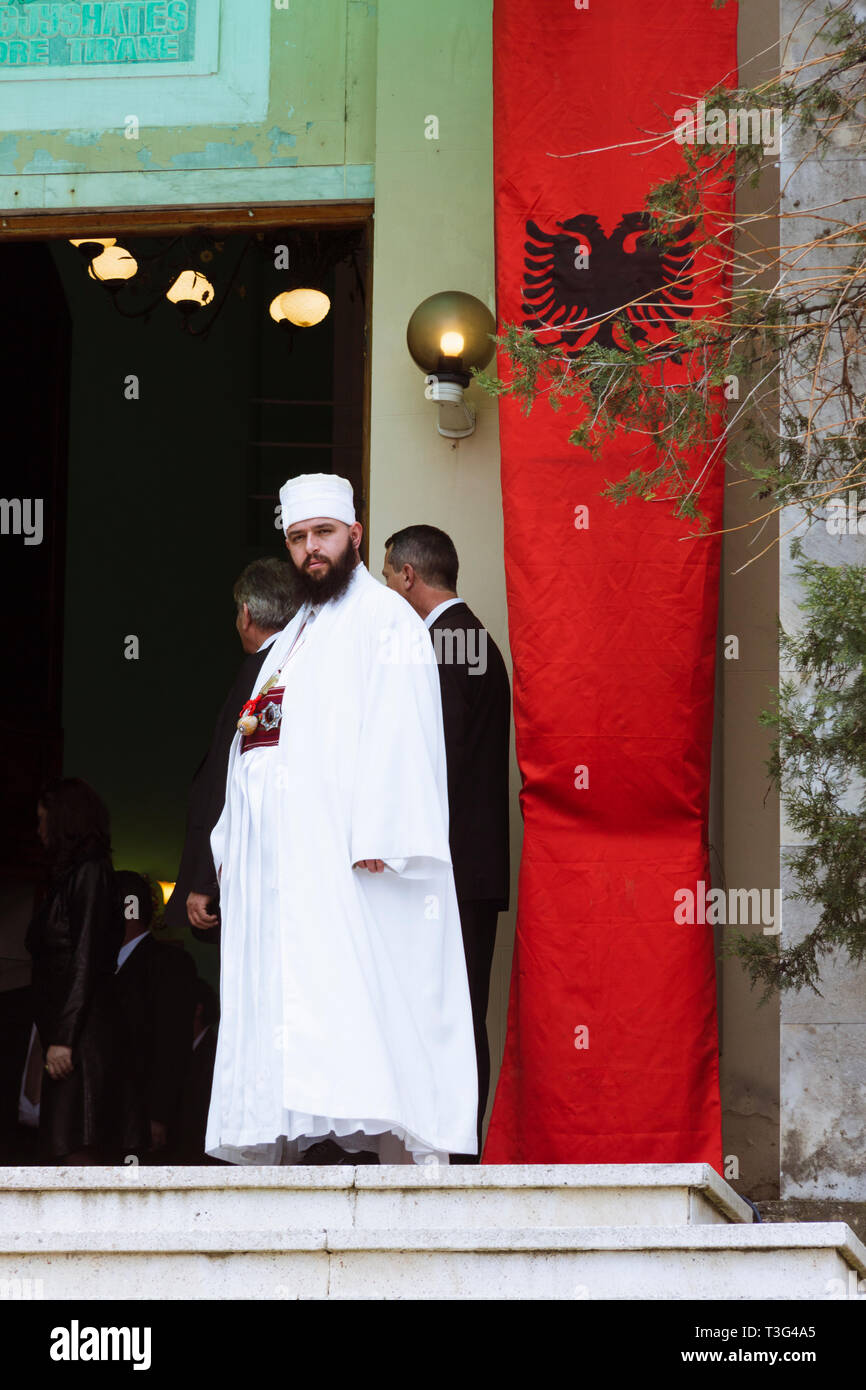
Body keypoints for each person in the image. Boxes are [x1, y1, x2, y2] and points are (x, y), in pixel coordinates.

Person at [206, 472, 478, 1165]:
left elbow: (406, 729)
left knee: (365, 1001)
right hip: (285, 864)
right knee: (298, 1007)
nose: (311, 550)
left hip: (353, 855)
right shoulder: (296, 632)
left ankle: (386, 1158)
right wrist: (234, 843)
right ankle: (294, 1147)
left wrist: (383, 830)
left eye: (323, 533)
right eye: (298, 538)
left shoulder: (386, 619)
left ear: (355, 534)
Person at [383, 525, 511, 1162]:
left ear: (408, 575)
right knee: (458, 1010)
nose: (387, 590)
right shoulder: (472, 638)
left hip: (448, 870)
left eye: (388, 577)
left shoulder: (445, 644)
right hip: (469, 868)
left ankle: (454, 1155)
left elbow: (438, 762)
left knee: (451, 1013)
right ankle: (454, 1150)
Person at [164, 558, 296, 942]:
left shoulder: (259, 673)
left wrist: (206, 878)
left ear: (246, 614)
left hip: (245, 869)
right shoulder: (297, 665)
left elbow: (230, 777)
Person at [25, 779, 123, 1164]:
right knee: (66, 1147)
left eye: (42, 820)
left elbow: (86, 957)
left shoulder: (90, 872)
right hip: (72, 1034)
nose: (39, 830)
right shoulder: (72, 876)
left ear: (62, 820)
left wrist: (64, 1038)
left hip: (82, 1039)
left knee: (76, 1149)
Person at [113, 871, 197, 1163]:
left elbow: (174, 1042)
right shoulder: (100, 966)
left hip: (144, 1118)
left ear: (128, 909)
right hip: (109, 1115)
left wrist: (158, 1115)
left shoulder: (170, 963)